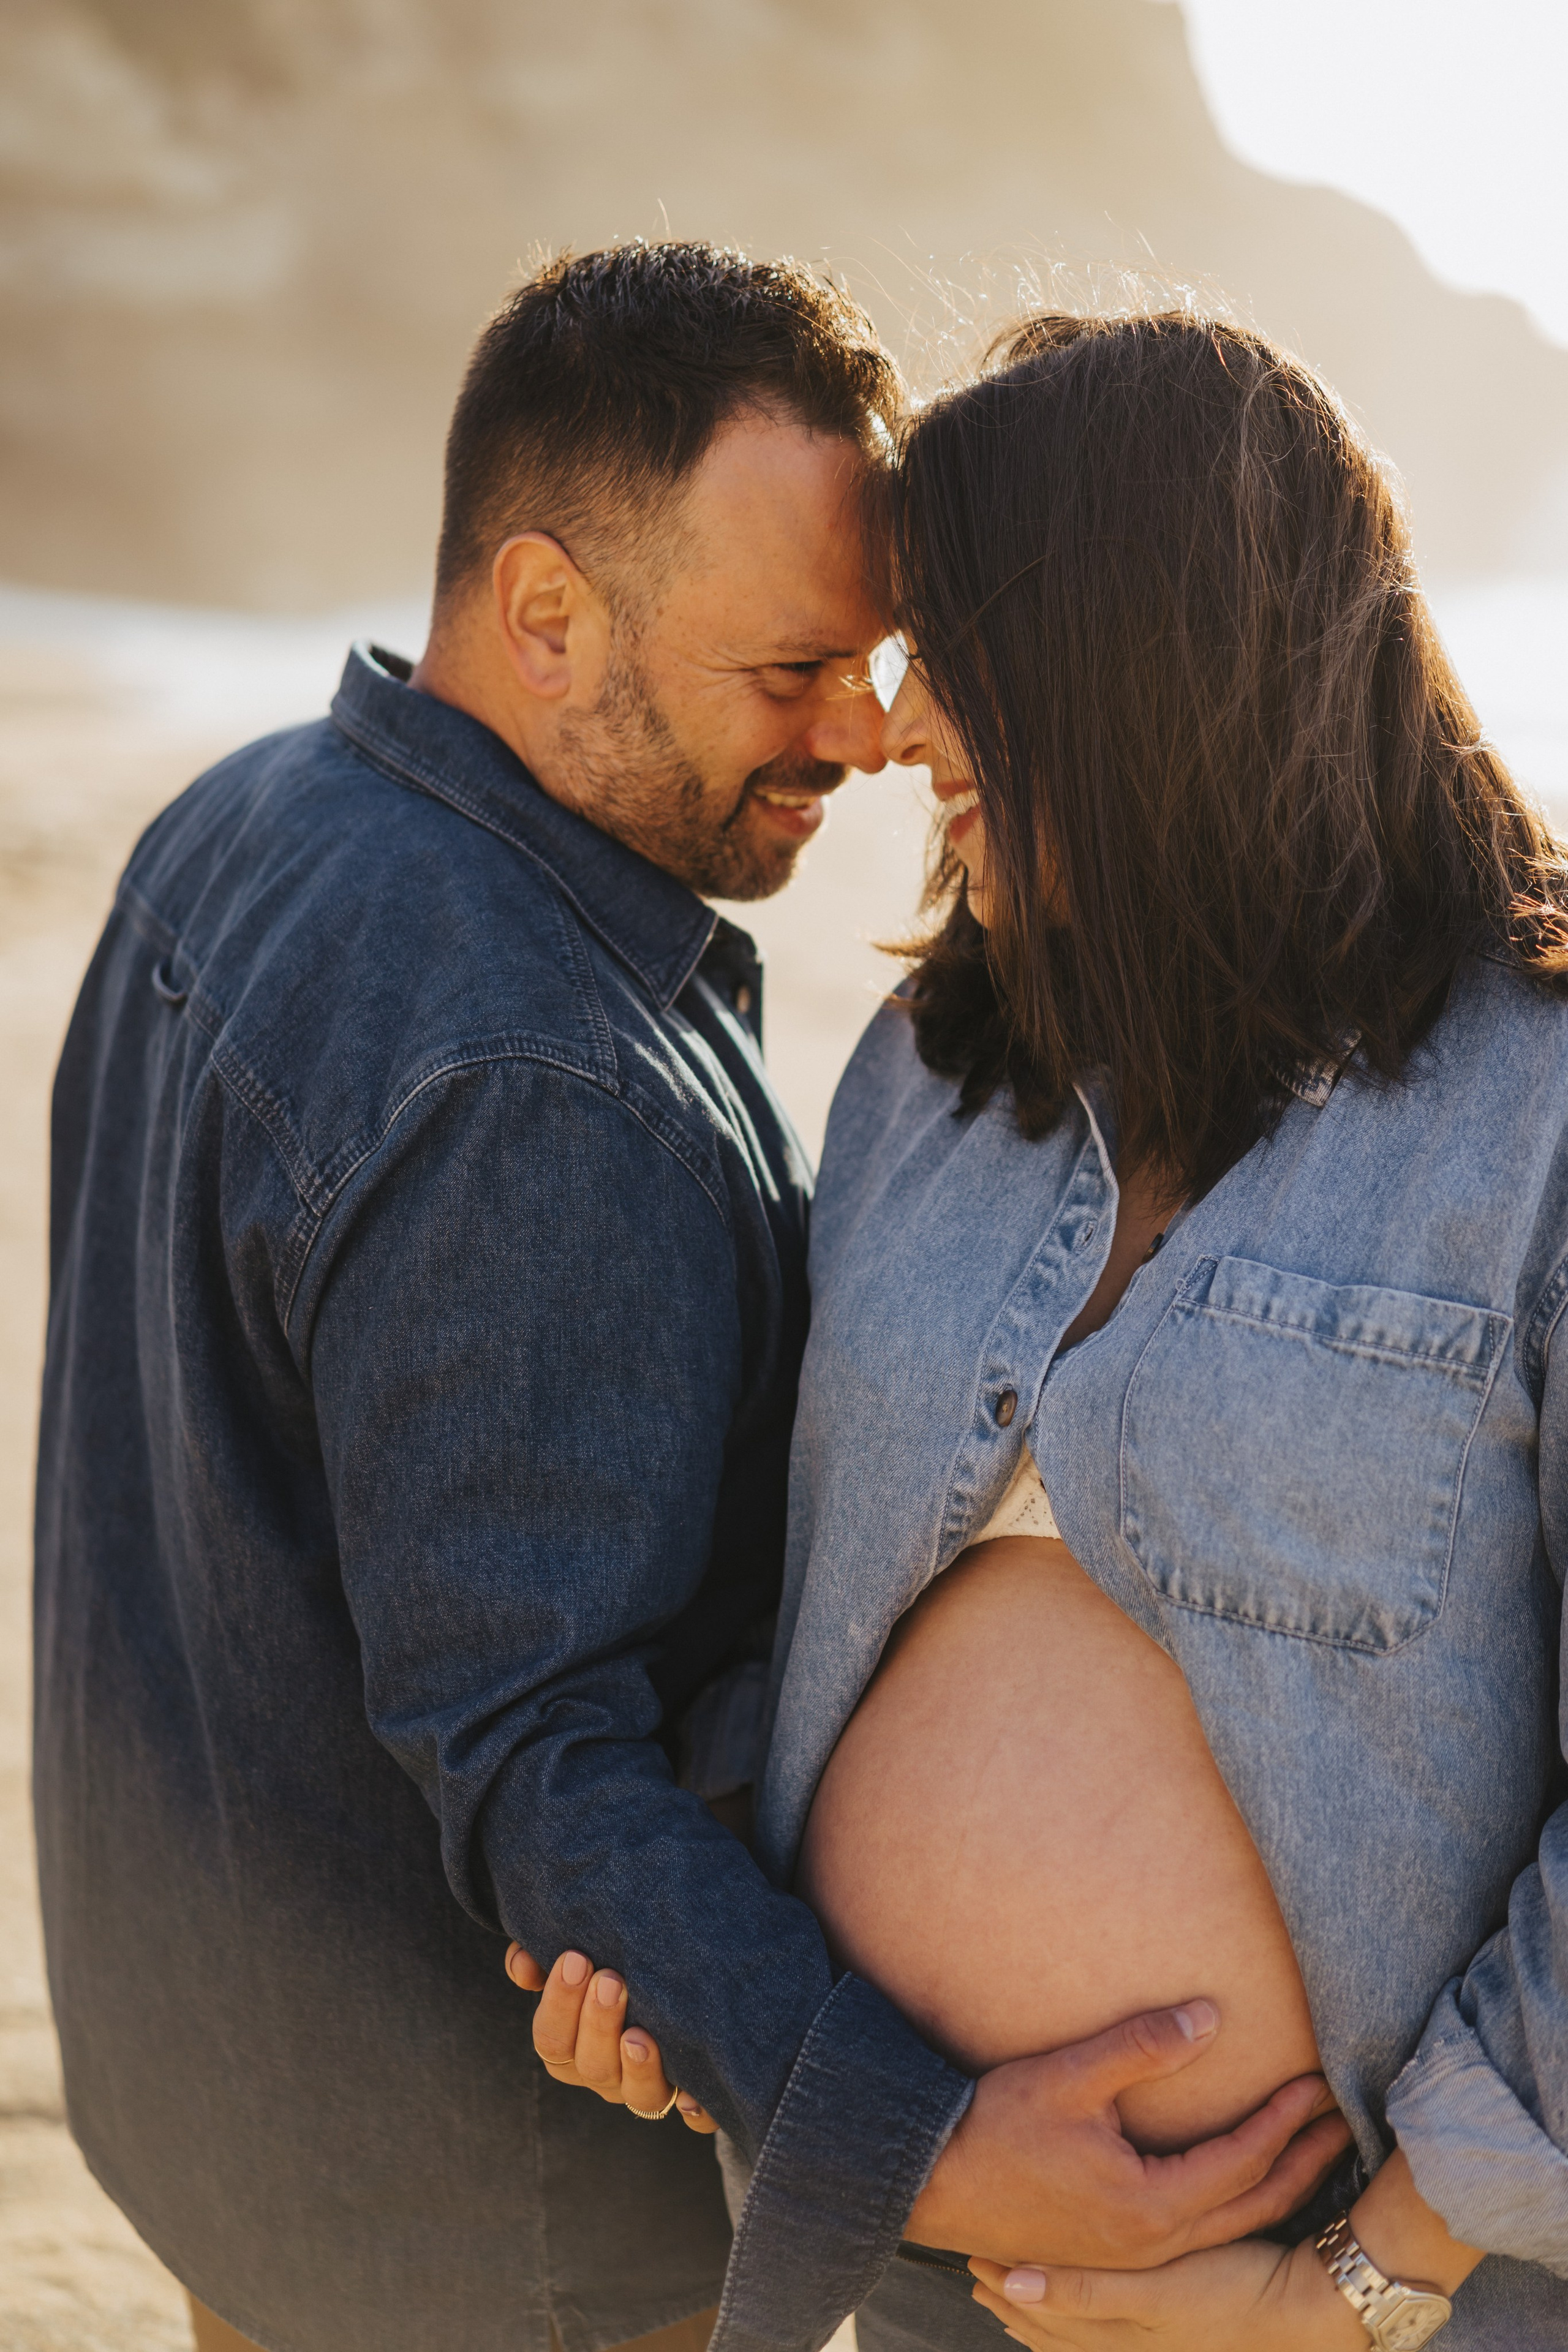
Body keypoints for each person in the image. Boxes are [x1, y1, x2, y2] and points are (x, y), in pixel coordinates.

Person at [33, 249, 1333, 2352]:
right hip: (509, 2227)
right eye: (792, 669)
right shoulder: (535, 1077)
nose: (868, 735)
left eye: (880, 657)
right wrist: (915, 2139)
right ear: (549, 615)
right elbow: (542, 1744)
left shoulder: (242, 823)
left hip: (232, 2114)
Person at [526, 312, 1568, 2351]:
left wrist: (1359, 2282)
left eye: (952, 657)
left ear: (1139, 666)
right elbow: (794, 1596)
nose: (898, 731)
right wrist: (691, 1977)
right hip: (911, 2260)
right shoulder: (926, 1071)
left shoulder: (1538, 1115)